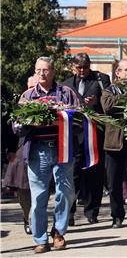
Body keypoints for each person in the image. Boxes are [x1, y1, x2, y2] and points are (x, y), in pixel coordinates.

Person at [13, 57, 79, 254]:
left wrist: (65, 118)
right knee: (39, 196)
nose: (42, 73)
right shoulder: (27, 96)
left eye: (46, 70)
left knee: (65, 193)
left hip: (63, 148)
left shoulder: (66, 94)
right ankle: (40, 238)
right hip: (38, 150)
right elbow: (16, 126)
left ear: (53, 71)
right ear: (35, 72)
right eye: (38, 70)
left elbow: (80, 118)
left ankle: (58, 232)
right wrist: (29, 123)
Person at [63, 52, 110, 225]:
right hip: (73, 136)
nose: (82, 70)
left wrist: (96, 102)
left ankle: (92, 211)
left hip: (94, 135)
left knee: (94, 173)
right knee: (72, 174)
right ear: (73, 67)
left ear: (89, 66)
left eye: (85, 67)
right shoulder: (66, 84)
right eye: (78, 67)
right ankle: (69, 211)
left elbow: (107, 102)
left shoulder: (101, 79)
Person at [101, 59, 127, 230]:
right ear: (117, 73)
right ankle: (117, 215)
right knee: (113, 183)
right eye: (125, 70)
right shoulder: (108, 90)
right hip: (113, 143)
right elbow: (108, 107)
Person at [3, 75, 38, 235]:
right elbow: (8, 127)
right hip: (20, 149)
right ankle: (28, 215)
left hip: (41, 147)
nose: (33, 91)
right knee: (22, 186)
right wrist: (9, 149)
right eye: (31, 87)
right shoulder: (19, 103)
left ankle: (37, 217)